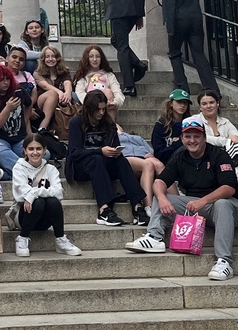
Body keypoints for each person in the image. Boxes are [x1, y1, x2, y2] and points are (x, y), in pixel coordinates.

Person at [125, 118, 238, 281]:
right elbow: (160, 181)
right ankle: (155, 237)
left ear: (204, 137)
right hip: (196, 207)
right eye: (188, 137)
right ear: (182, 138)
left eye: (196, 136)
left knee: (222, 204)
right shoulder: (180, 154)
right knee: (163, 195)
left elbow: (229, 188)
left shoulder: (218, 154)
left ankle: (224, 261)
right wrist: (161, 198)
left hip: (229, 208)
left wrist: (203, 201)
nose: (192, 140)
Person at [66, 90, 147, 227]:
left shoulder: (108, 123)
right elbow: (74, 152)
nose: (101, 113)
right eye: (98, 110)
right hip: (80, 167)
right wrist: (100, 151)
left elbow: (115, 145)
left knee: (121, 160)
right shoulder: (76, 122)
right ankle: (104, 209)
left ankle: (137, 206)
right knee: (96, 159)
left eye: (104, 109)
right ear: (89, 109)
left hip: (103, 164)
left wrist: (114, 152)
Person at [10, 132, 82, 257]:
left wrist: (34, 193)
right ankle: (22, 238)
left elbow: (59, 193)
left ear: (44, 150)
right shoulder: (19, 168)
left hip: (45, 220)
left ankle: (60, 239)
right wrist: (37, 195)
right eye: (31, 149)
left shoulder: (51, 169)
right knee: (39, 202)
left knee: (53, 201)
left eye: (38, 148)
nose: (35, 152)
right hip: (24, 216)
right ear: (25, 151)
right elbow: (22, 193)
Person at [161, 0, 217, 97]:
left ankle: (182, 86)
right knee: (199, 55)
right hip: (195, 20)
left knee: (174, 53)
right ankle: (212, 88)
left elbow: (169, 5)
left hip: (179, 20)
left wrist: (169, 26)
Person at [0, 49, 34, 175]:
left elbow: (29, 104)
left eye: (8, 79)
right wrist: (8, 109)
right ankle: (30, 174)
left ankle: (6, 175)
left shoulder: (18, 91)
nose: (5, 83)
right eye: (1, 80)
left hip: (19, 138)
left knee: (44, 153)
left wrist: (25, 123)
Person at [71, 44, 125, 119]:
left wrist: (115, 103)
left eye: (98, 56)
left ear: (101, 58)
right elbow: (80, 93)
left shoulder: (109, 75)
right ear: (87, 58)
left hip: (107, 108)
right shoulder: (83, 76)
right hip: (90, 110)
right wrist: (94, 103)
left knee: (108, 92)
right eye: (91, 56)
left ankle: (110, 127)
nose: (95, 59)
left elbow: (118, 92)